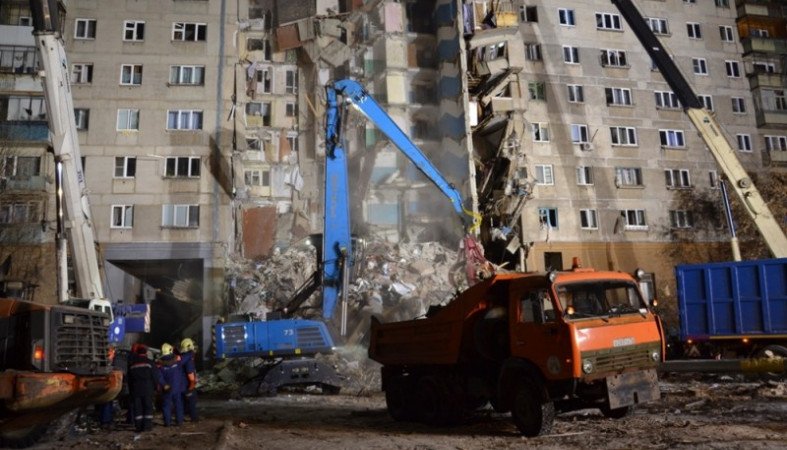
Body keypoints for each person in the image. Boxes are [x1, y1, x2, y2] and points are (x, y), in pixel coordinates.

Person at [127, 343, 159, 432]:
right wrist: (156, 387)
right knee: (148, 407)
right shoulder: (150, 363)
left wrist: (130, 390)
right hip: (147, 388)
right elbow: (154, 376)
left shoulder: (132, 364)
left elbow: (129, 379)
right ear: (145, 352)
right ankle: (147, 426)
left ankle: (138, 426)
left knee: (138, 408)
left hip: (136, 389)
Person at [157, 343, 185, 427]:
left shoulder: (161, 365)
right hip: (177, 388)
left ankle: (167, 422)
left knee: (166, 406)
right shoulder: (178, 363)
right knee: (178, 405)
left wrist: (164, 384)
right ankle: (179, 421)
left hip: (167, 388)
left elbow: (159, 377)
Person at [179, 338, 199, 422]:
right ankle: (194, 419)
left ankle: (181, 417)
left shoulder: (182, 358)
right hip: (188, 385)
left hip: (182, 384)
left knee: (183, 402)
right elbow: (190, 374)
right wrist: (192, 385)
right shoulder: (189, 360)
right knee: (192, 402)